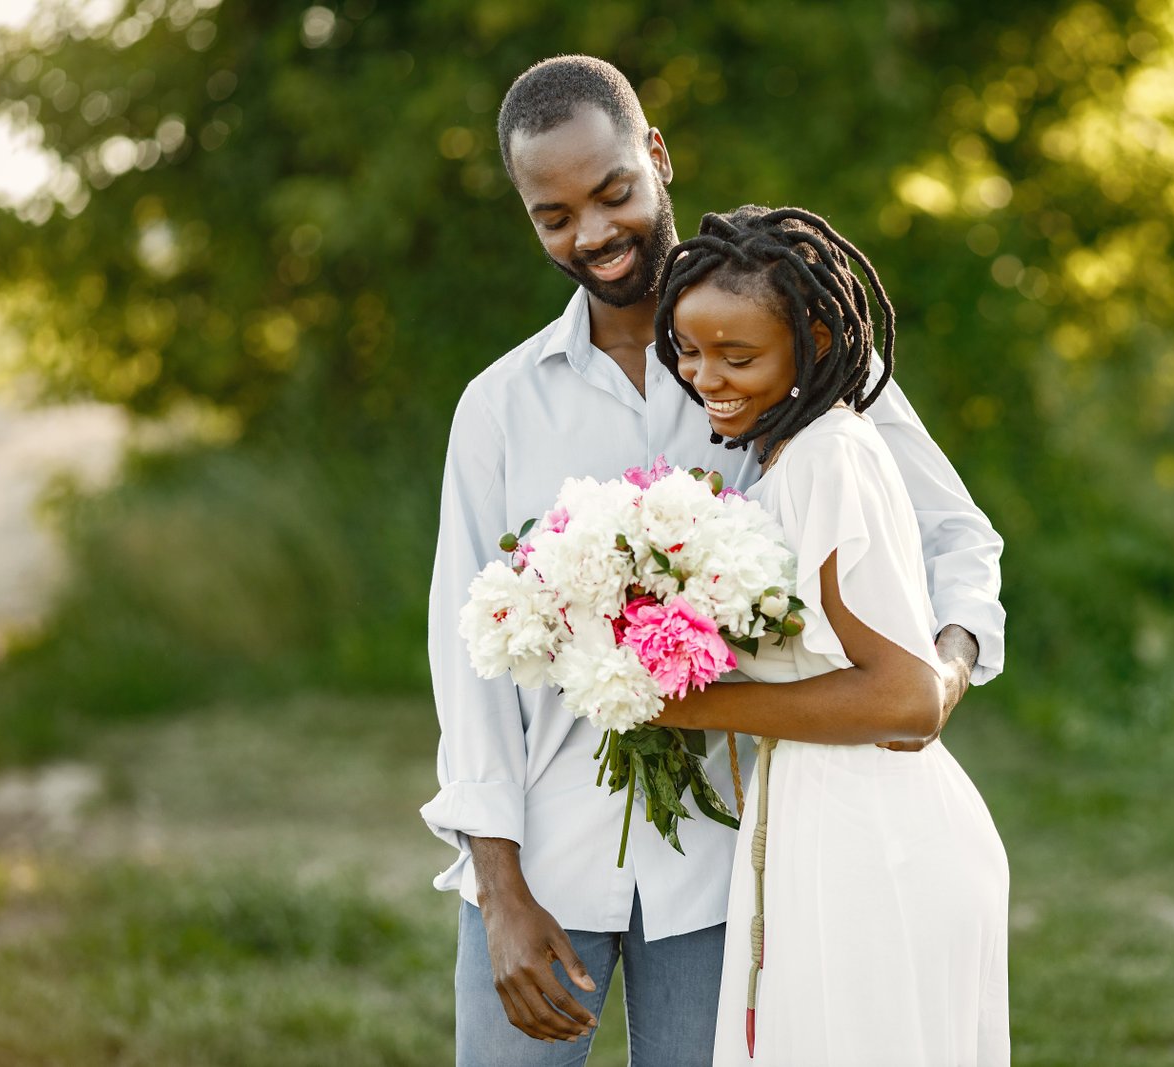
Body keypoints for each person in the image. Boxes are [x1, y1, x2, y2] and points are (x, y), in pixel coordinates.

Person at [423, 55, 1006, 1067]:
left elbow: (956, 532)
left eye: (611, 192)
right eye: (552, 215)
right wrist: (500, 886)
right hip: (544, 856)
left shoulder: (803, 359)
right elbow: (463, 658)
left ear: (656, 154)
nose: (591, 233)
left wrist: (941, 673)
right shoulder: (500, 405)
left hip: (732, 860)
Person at [651, 205, 1010, 1065]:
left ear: (815, 336)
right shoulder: (785, 451)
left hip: (871, 836)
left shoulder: (830, 455)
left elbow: (905, 698)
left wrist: (681, 706)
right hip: (819, 808)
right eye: (691, 353)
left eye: (738, 356)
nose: (709, 378)